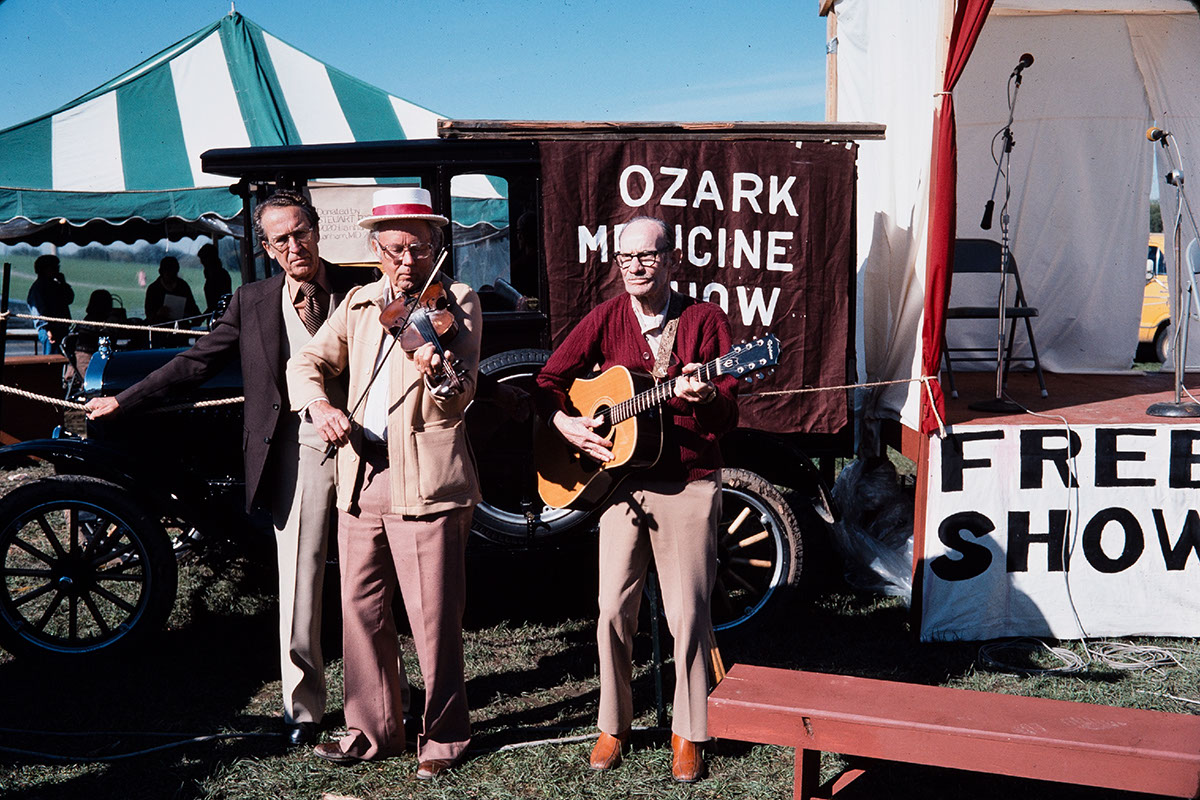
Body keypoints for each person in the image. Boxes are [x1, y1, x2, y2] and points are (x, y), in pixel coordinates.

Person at [84, 190, 367, 747]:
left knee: (369, 581)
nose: (295, 246)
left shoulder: (359, 288)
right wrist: (126, 400)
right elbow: (194, 361)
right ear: (267, 248)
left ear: (317, 230)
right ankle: (303, 712)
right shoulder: (253, 301)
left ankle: (379, 703)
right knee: (300, 578)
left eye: (301, 232)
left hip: (370, 447)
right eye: (281, 239)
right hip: (294, 448)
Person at [533, 216, 738, 784]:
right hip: (622, 486)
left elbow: (728, 412)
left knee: (688, 614)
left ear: (670, 259)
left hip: (690, 481)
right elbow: (548, 380)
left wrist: (701, 398)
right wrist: (568, 425)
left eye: (646, 257)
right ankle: (613, 724)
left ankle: (689, 729)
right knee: (610, 611)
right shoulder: (606, 318)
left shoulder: (703, 321)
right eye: (626, 258)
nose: (636, 267)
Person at [287, 186, 481, 780]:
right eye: (394, 249)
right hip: (361, 473)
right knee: (359, 607)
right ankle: (373, 730)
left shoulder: (460, 302)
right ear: (375, 249)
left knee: (432, 615)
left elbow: (460, 398)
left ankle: (444, 736)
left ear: (435, 249)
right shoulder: (359, 303)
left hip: (425, 479)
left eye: (418, 250)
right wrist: (319, 407)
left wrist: (437, 369)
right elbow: (307, 363)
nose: (405, 262)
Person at [26, 254, 74, 354]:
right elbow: (38, 311)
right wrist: (47, 328)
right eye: (54, 267)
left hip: (61, 329)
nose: (57, 270)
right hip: (50, 330)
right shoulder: (38, 288)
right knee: (51, 361)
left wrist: (63, 283)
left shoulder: (56, 286)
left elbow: (69, 299)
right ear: (45, 269)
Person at [145, 255, 201, 325]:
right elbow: (149, 314)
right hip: (160, 328)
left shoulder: (183, 286)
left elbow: (194, 311)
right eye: (168, 273)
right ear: (161, 272)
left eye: (173, 273)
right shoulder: (153, 289)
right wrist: (158, 313)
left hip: (181, 328)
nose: (171, 277)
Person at [200, 242, 233, 314]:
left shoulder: (221, 276)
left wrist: (202, 317)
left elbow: (216, 304)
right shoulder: (211, 276)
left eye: (203, 259)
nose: (202, 262)